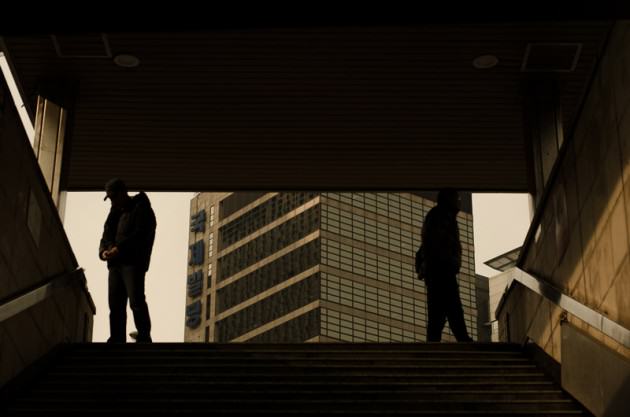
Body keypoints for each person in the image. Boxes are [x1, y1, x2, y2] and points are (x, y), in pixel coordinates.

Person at [99, 178, 156, 343]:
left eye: (114, 196)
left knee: (136, 300)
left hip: (133, 263)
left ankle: (144, 335)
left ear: (123, 193)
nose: (112, 200)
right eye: (110, 197)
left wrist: (120, 248)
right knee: (115, 304)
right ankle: (117, 337)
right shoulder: (114, 213)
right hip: (115, 264)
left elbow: (141, 234)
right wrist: (104, 252)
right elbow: (106, 235)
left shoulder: (141, 208)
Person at [419, 189, 473, 342]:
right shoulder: (441, 216)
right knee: (450, 307)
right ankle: (461, 339)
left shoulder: (441, 216)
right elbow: (438, 243)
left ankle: (448, 340)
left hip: (439, 270)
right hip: (441, 270)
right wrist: (449, 261)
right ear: (449, 199)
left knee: (442, 310)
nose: (460, 201)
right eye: (457, 198)